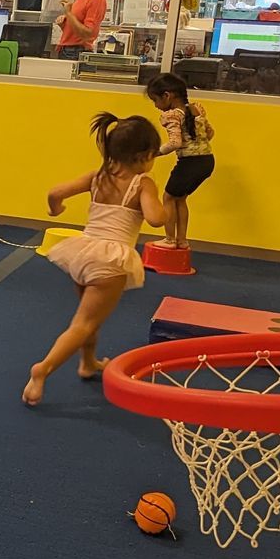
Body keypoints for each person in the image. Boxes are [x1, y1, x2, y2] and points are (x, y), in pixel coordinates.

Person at [23, 112, 167, 406]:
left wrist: (55, 210)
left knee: (91, 317)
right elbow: (154, 219)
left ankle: (88, 362)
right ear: (143, 156)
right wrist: (166, 208)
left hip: (82, 252)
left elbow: (55, 192)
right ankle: (42, 370)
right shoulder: (143, 183)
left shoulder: (98, 175)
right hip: (110, 260)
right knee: (84, 323)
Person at [145, 73, 216, 251]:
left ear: (167, 96)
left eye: (155, 100)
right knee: (180, 199)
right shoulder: (196, 109)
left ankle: (170, 239)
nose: (156, 106)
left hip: (190, 163)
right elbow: (210, 134)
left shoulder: (172, 116)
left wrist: (153, 154)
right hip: (207, 160)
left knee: (168, 197)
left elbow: (175, 143)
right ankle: (182, 240)